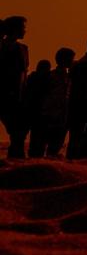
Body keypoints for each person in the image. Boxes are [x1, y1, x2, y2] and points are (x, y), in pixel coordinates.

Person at [0, 16, 30, 158]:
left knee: (19, 131)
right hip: (5, 94)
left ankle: (16, 158)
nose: (25, 30)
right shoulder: (3, 47)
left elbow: (24, 72)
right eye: (23, 27)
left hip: (20, 95)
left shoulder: (23, 48)